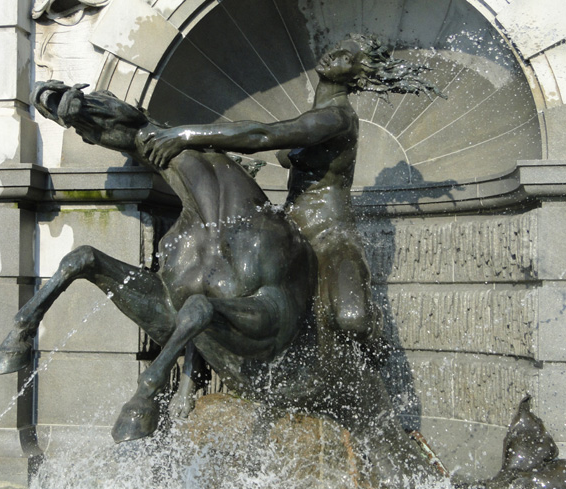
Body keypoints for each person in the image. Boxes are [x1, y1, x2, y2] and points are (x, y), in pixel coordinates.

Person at [143, 34, 442, 342]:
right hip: (289, 230)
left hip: (329, 237)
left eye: (345, 57)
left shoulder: (337, 118)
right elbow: (278, 146)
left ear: (358, 74)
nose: (333, 55)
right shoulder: (314, 117)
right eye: (336, 48)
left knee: (353, 320)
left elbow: (263, 136)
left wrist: (185, 135)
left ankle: (375, 352)